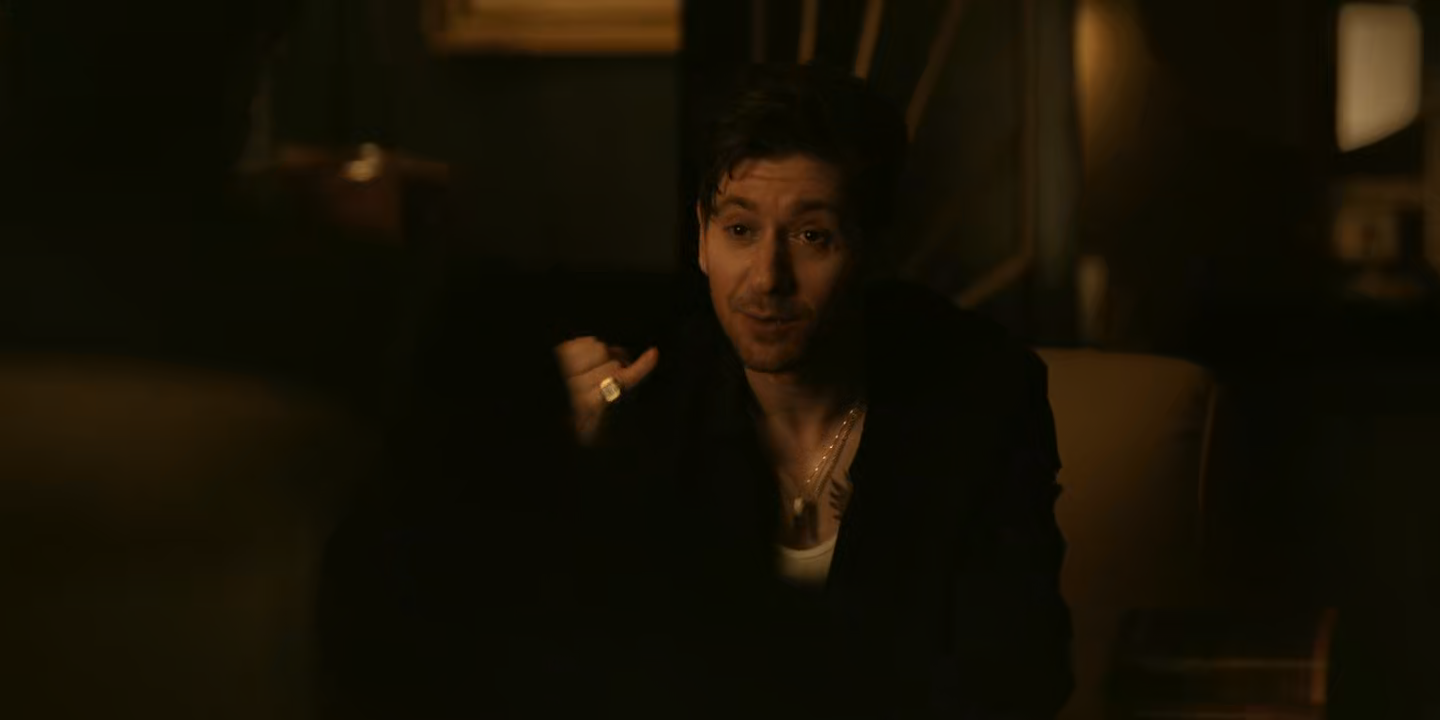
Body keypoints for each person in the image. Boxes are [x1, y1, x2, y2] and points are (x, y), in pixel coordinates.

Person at [557, 63, 1073, 718]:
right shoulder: (653, 396)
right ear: (701, 238)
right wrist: (566, 474)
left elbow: (1020, 676)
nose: (767, 278)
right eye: (739, 230)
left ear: (873, 251)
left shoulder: (980, 393)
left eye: (811, 236)